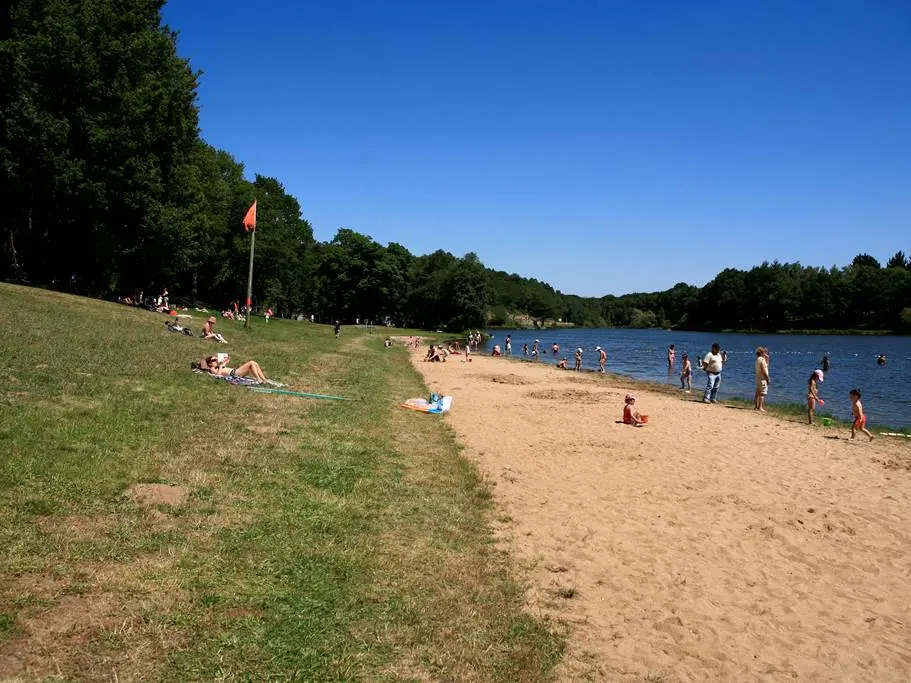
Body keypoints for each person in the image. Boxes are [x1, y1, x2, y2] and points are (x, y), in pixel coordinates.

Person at [200, 354, 267, 382]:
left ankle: (264, 380)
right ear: (209, 364)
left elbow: (227, 359)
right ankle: (259, 380)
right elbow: (218, 375)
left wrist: (221, 359)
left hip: (236, 371)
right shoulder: (212, 369)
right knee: (251, 362)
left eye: (215, 360)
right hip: (234, 373)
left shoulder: (218, 366)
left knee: (255, 363)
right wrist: (221, 365)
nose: (215, 361)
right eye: (213, 360)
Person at [754, 347, 771, 412]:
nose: (765, 353)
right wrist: (768, 378)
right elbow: (764, 370)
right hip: (762, 379)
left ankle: (756, 407)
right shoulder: (762, 360)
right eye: (764, 352)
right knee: (762, 393)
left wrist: (767, 358)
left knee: (757, 393)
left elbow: (766, 366)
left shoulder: (758, 359)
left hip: (758, 378)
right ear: (762, 353)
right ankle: (760, 407)